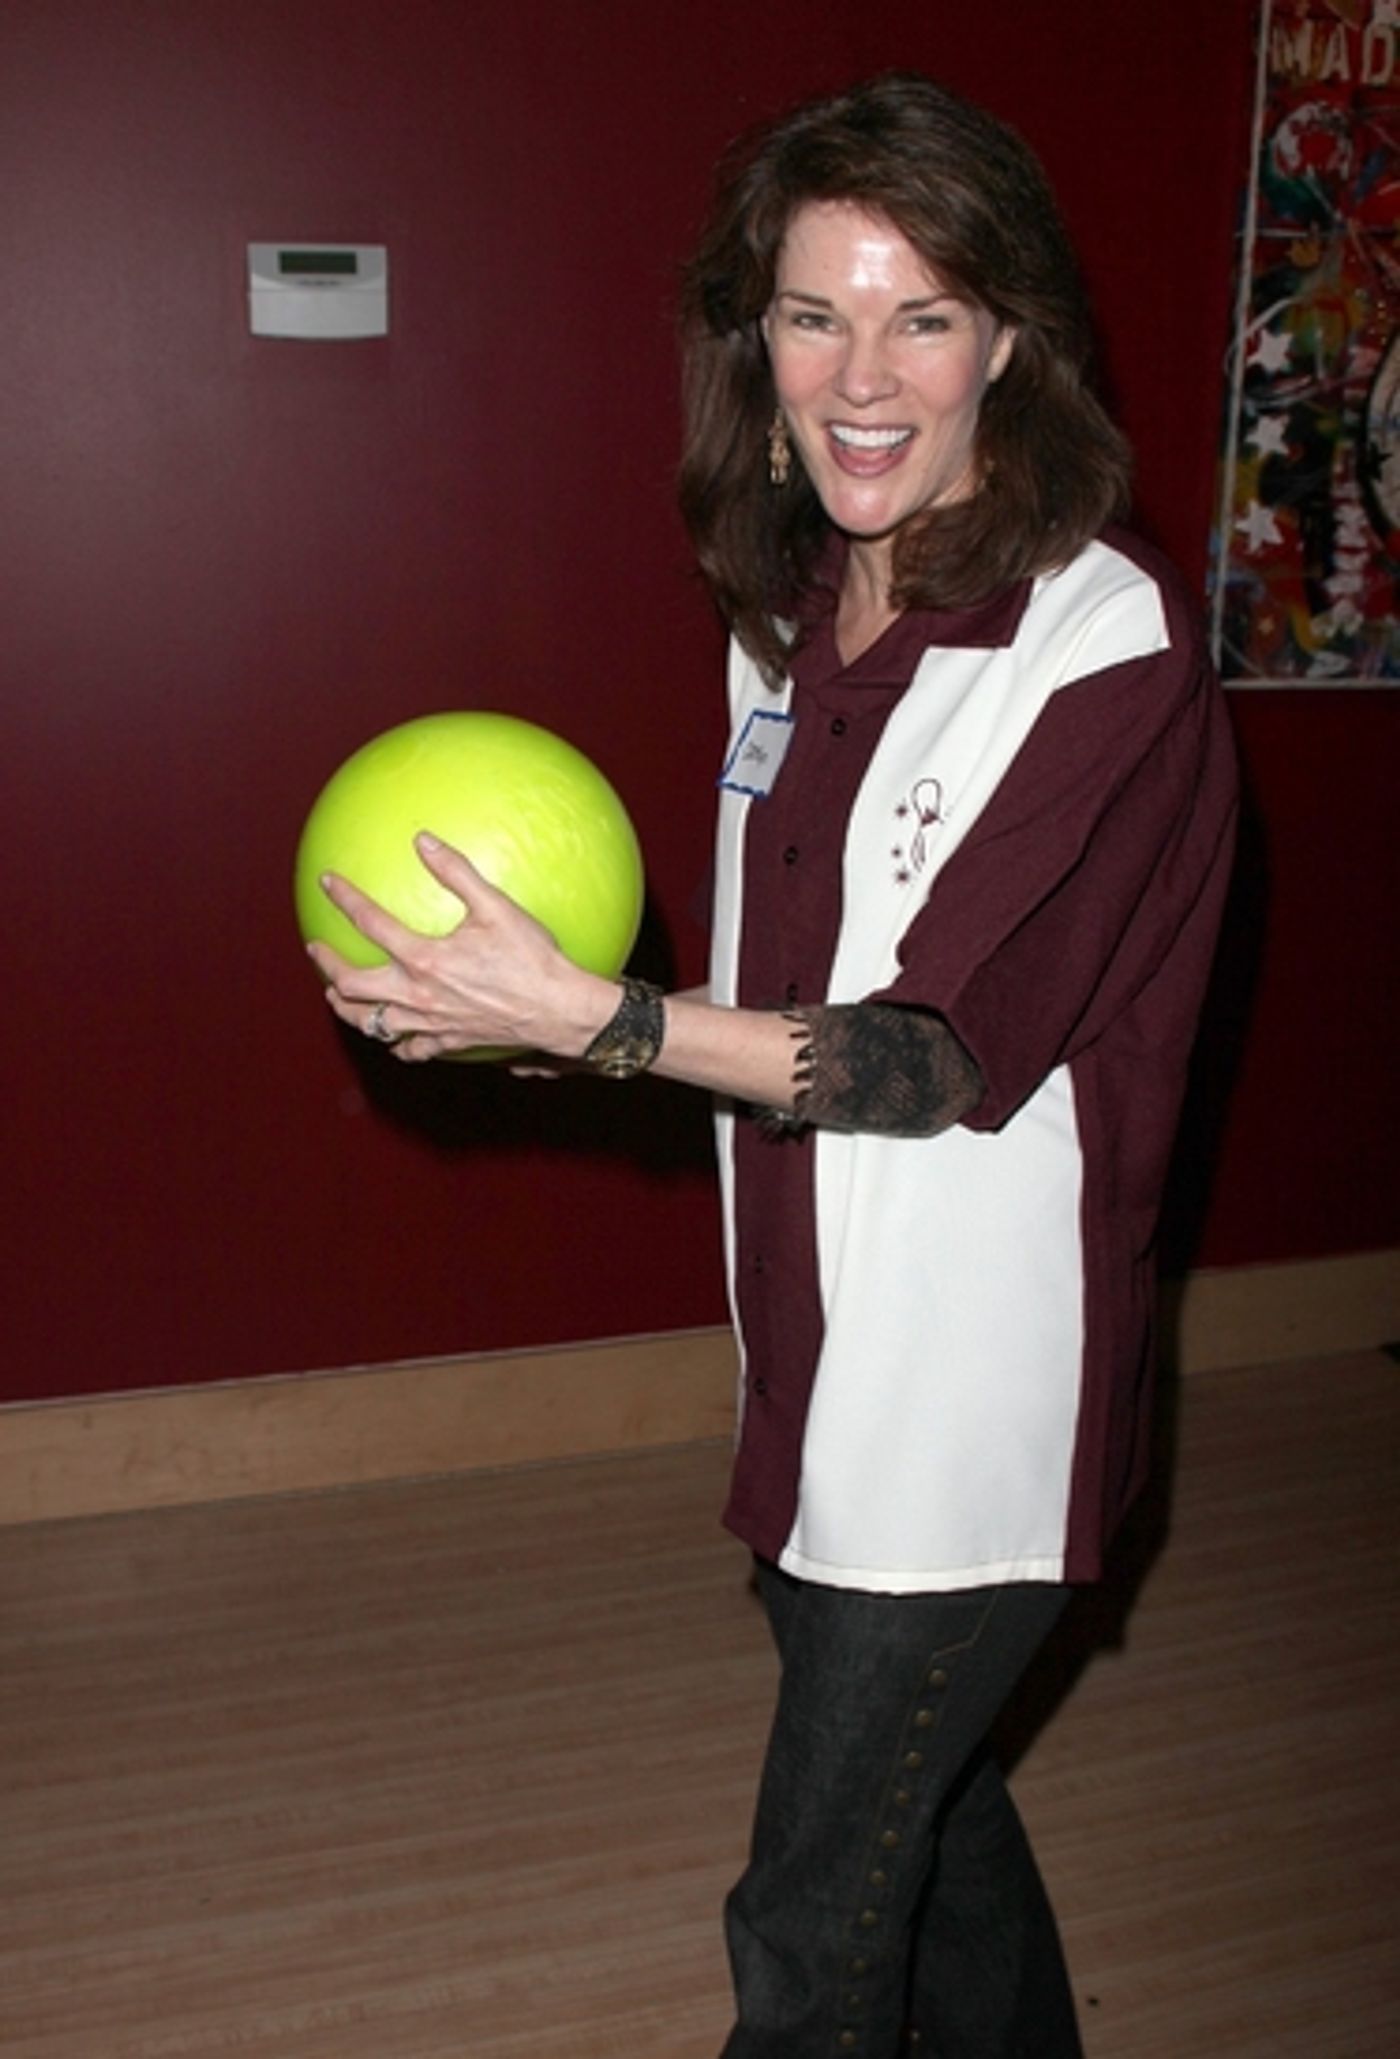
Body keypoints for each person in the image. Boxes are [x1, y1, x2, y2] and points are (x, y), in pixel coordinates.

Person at [307, 71, 1237, 2059]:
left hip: (970, 1416)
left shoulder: (1107, 648)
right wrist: (546, 1019)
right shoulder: (788, 612)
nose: (861, 377)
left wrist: (602, 1018)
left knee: (810, 1931)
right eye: (815, 315)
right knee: (934, 1826)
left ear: (1011, 338)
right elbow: (772, 996)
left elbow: (930, 1059)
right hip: (809, 1363)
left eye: (922, 315)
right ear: (759, 338)